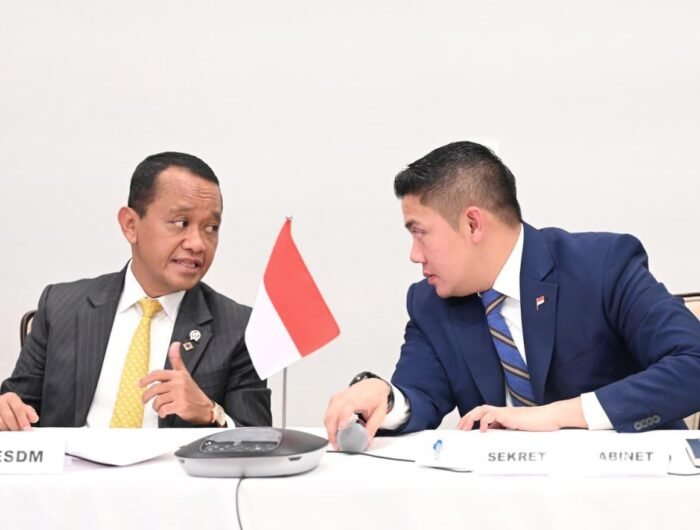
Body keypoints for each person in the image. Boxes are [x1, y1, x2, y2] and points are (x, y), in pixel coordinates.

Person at [325, 141, 700, 448]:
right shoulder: (431, 302)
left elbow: (693, 363)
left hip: (630, 489)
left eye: (419, 233)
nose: (414, 255)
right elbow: (420, 395)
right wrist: (385, 396)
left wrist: (557, 415)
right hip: (504, 500)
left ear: (473, 224)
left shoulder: (601, 266)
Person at [0, 152, 271, 430]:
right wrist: (7, 412)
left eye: (211, 228)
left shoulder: (239, 328)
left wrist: (211, 413)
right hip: (74, 459)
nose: (198, 244)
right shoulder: (61, 307)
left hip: (173, 461)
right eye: (181, 223)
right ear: (130, 225)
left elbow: (258, 438)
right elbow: (18, 407)